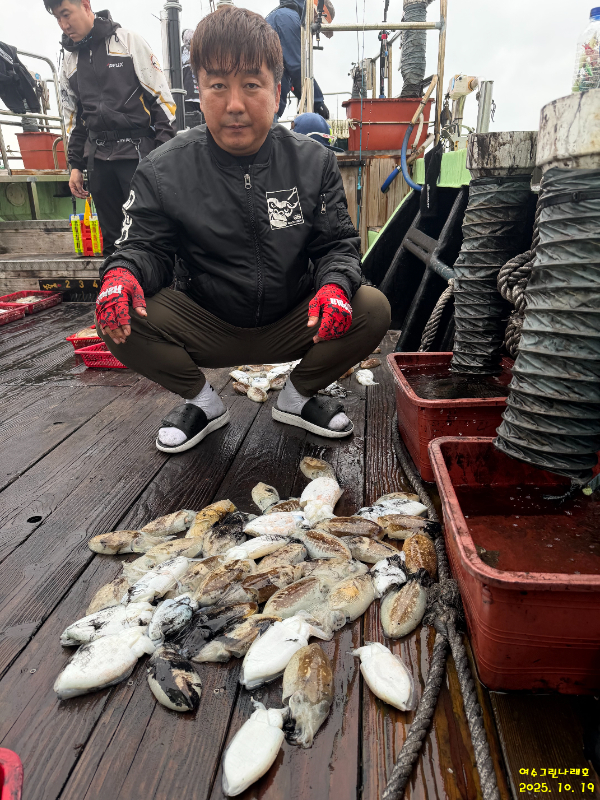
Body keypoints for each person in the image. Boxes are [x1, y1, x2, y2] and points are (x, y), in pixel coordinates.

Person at [94, 6, 390, 454]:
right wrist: (122, 275)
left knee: (372, 307)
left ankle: (296, 398)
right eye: (218, 85)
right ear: (199, 90)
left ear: (277, 91)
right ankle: (202, 402)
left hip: (295, 320)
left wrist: (333, 287)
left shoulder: (314, 162)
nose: (234, 104)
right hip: (205, 322)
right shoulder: (161, 168)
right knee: (115, 312)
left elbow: (336, 246)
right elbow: (144, 247)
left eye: (251, 84)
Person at [45, 0, 177, 254]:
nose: (63, 25)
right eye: (57, 19)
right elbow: (75, 120)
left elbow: (163, 102)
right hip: (99, 162)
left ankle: (155, 279)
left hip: (138, 157)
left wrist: (161, 158)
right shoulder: (69, 61)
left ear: (85, 5)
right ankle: (114, 280)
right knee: (111, 241)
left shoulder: (128, 41)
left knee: (149, 232)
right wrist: (75, 166)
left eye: (66, 14)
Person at [266, 0, 332, 121]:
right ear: (314, 10)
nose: (314, 31)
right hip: (266, 103)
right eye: (317, 20)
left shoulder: (284, 16)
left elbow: (293, 72)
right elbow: (297, 67)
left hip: (268, 101)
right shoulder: (286, 18)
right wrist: (318, 103)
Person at [182, 28, 203, 128]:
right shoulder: (200, 51)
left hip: (186, 96)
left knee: (189, 126)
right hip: (199, 96)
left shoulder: (180, 51)